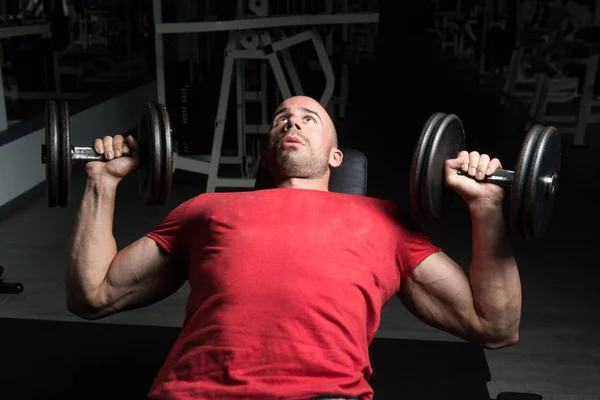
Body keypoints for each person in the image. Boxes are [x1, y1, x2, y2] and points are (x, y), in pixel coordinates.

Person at [65, 95, 521, 400]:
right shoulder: (205, 208)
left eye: (310, 118)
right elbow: (93, 295)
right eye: (281, 118)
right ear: (266, 153)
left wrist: (487, 208)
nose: (292, 122)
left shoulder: (383, 220)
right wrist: (101, 183)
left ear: (335, 157)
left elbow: (494, 325)